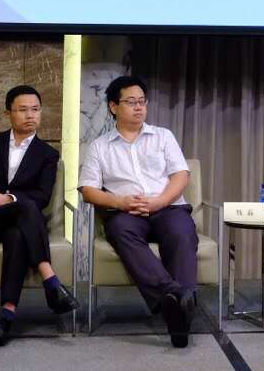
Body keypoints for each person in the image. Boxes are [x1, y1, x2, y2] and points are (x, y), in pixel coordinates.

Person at [79, 75, 199, 348]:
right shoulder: (100, 146)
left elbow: (181, 176)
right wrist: (120, 201)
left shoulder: (163, 136)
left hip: (167, 207)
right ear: (113, 107)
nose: (138, 107)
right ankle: (177, 295)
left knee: (181, 232)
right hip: (126, 212)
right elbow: (88, 190)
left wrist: (160, 202)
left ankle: (177, 311)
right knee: (120, 231)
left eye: (142, 102)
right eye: (131, 102)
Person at [0, 84, 79, 345]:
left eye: (35, 109)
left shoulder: (48, 154)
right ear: (8, 113)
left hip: (21, 223)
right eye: (23, 109)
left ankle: (6, 315)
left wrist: (7, 199)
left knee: (18, 230)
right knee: (26, 207)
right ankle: (50, 280)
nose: (30, 115)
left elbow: (42, 196)